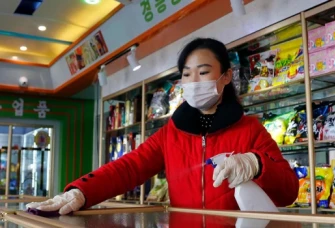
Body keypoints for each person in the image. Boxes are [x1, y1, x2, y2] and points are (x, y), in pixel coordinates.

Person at [27, 38, 298, 215]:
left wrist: (257, 164)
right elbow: (129, 167)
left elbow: (288, 190)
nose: (194, 81)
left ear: (226, 76)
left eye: (203, 72)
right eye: (186, 74)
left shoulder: (249, 129)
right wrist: (81, 191)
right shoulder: (171, 133)